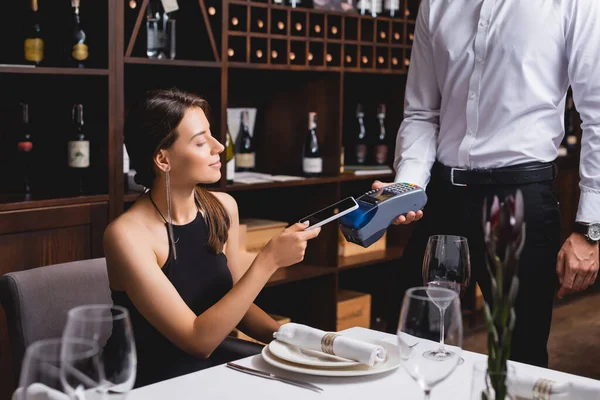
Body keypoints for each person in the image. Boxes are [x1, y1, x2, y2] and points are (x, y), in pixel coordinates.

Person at [375, 0, 600, 368]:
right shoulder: (436, 4)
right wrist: (407, 189)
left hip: (520, 204)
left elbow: (598, 114)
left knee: (516, 361)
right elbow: (422, 112)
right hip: (444, 198)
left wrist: (590, 229)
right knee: (409, 343)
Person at [103, 89, 321, 387]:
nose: (219, 147)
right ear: (162, 159)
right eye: (201, 142)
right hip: (146, 376)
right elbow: (197, 340)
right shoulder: (126, 236)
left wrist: (292, 341)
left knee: (305, 380)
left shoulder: (221, 207)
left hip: (205, 363)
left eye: (212, 136)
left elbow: (234, 302)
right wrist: (268, 260)